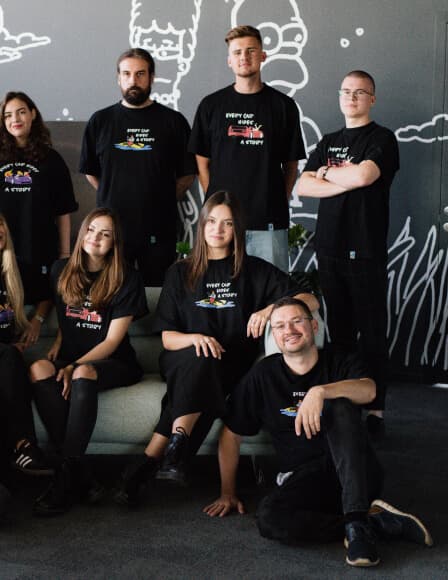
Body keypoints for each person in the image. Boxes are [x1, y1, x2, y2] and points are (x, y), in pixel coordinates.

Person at [114, 191, 319, 506]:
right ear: (202, 225)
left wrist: (271, 309)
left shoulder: (254, 271)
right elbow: (168, 338)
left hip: (231, 364)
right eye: (211, 221)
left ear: (237, 229)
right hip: (182, 358)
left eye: (227, 223)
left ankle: (151, 460)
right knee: (201, 361)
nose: (218, 229)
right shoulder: (179, 273)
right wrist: (195, 339)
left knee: (206, 374)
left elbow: (310, 299)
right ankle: (175, 453)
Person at [204, 297, 432, 568]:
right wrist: (227, 492)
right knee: (269, 518)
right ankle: (373, 523)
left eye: (296, 321)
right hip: (305, 479)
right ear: (274, 335)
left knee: (340, 406)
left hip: (357, 472)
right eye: (280, 326)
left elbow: (369, 390)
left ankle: (357, 523)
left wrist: (322, 391)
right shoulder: (264, 374)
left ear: (313, 326)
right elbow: (231, 433)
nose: (289, 330)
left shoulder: (339, 361)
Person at [296, 71, 400, 436]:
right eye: (346, 92)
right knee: (339, 334)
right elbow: (303, 185)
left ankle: (375, 411)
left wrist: (326, 174)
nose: (352, 97)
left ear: (372, 99)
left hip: (365, 250)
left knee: (371, 334)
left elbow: (364, 177)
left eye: (360, 92)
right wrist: (338, 176)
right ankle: (343, 402)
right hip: (329, 249)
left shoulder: (382, 139)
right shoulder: (329, 140)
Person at [29, 208, 148, 516]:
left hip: (115, 362)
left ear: (114, 243)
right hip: (73, 358)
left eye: (105, 234)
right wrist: (58, 342)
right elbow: (65, 314)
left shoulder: (127, 278)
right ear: (82, 233)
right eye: (92, 230)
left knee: (83, 372)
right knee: (38, 368)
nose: (96, 238)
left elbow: (111, 342)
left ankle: (64, 478)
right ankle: (78, 472)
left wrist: (72, 366)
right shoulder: (61, 270)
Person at [189, 25, 306, 272]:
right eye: (238, 52)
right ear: (229, 60)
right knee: (223, 289)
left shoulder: (283, 106)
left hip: (269, 222)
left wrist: (277, 200)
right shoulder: (211, 105)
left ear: (262, 56)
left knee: (272, 291)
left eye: (251, 50)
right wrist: (216, 202)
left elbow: (291, 164)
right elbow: (202, 161)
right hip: (222, 224)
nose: (244, 56)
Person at [80, 48, 197, 287]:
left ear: (152, 77)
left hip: (159, 228)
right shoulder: (100, 121)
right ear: (118, 78)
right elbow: (91, 172)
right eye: (127, 74)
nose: (133, 80)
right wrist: (113, 194)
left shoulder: (173, 122)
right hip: (111, 230)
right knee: (110, 291)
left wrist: (161, 198)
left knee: (156, 292)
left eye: (140, 74)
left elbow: (187, 175)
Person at [0, 91, 78, 342]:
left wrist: (64, 254)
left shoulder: (51, 159)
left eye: (21, 112)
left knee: (43, 292)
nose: (15, 119)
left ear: (33, 114)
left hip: (40, 247)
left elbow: (64, 211)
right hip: (4, 248)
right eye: (8, 115)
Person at [0, 214, 52, 480]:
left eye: (0, 227)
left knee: (11, 360)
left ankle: (21, 450)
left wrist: (37, 321)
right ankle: (24, 446)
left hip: (6, 355)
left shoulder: (16, 268)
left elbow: (47, 294)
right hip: (6, 353)